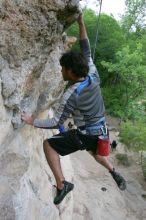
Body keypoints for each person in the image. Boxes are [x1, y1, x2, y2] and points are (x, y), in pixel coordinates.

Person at [21, 13, 126, 205]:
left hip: (86, 134)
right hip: (102, 130)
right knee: (95, 153)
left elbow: (56, 122)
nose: (61, 71)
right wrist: (81, 22)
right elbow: (86, 49)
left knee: (48, 145)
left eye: (62, 68)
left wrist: (31, 121)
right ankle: (113, 171)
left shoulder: (72, 95)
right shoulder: (93, 75)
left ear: (70, 70)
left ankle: (62, 185)